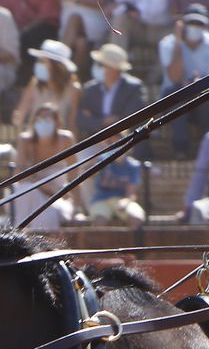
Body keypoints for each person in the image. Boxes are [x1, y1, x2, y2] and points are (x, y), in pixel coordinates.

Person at [157, 4, 209, 153]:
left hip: (204, 94)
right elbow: (174, 76)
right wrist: (178, 42)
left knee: (205, 101)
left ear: (206, 25)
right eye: (191, 23)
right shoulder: (168, 44)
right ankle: (180, 151)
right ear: (182, 24)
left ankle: (207, 151)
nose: (194, 27)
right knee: (178, 99)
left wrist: (198, 83)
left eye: (199, 24)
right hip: (174, 95)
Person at [13, 103, 80, 231]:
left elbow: (75, 177)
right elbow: (19, 175)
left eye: (47, 119)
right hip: (31, 192)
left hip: (58, 195)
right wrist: (45, 186)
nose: (43, 122)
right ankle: (20, 236)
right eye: (39, 119)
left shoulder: (66, 139)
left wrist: (77, 207)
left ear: (57, 121)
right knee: (25, 191)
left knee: (48, 215)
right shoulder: (25, 140)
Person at [77, 43, 147, 140]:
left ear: (116, 69)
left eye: (104, 65)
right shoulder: (90, 89)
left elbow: (132, 117)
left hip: (128, 142)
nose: (101, 68)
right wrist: (103, 121)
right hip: (96, 144)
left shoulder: (133, 88)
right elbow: (81, 119)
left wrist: (94, 119)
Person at [13, 40, 82, 131]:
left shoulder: (73, 89)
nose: (39, 65)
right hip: (34, 139)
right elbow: (20, 113)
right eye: (39, 61)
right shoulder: (34, 84)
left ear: (56, 67)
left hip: (61, 142)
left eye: (43, 62)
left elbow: (72, 124)